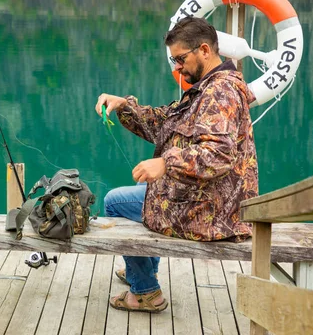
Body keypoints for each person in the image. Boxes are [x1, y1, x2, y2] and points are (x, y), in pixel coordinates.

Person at [95, 16, 258, 313]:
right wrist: (125, 106)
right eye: (174, 60)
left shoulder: (219, 93)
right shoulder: (210, 86)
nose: (177, 67)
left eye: (181, 59)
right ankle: (142, 268)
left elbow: (219, 154)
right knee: (140, 188)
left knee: (114, 202)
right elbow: (166, 125)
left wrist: (166, 163)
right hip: (212, 200)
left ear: (205, 50)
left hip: (211, 211)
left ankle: (145, 290)